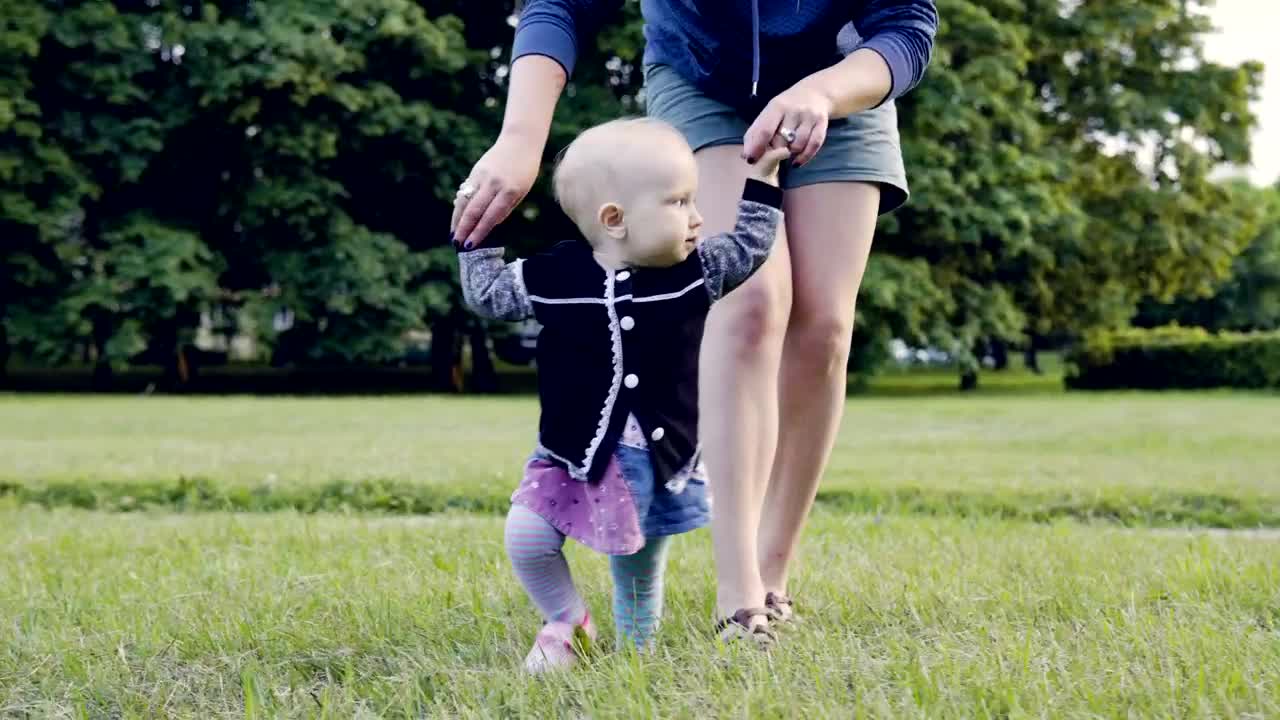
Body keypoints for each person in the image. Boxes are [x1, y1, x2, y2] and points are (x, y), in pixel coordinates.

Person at [451, 0, 938, 641]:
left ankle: (773, 570)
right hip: (700, 76)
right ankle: (741, 599)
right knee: (752, 304)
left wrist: (824, 90)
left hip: (844, 78)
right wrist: (520, 140)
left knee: (824, 329)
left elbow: (906, 25)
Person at [458, 117, 791, 670]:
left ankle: (638, 658)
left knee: (636, 565)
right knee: (526, 537)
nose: (698, 217)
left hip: (655, 457)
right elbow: (489, 294)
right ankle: (570, 620)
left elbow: (752, 245)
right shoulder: (554, 277)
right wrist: (477, 230)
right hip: (570, 452)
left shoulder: (698, 272)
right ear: (614, 220)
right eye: (679, 202)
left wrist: (763, 178)